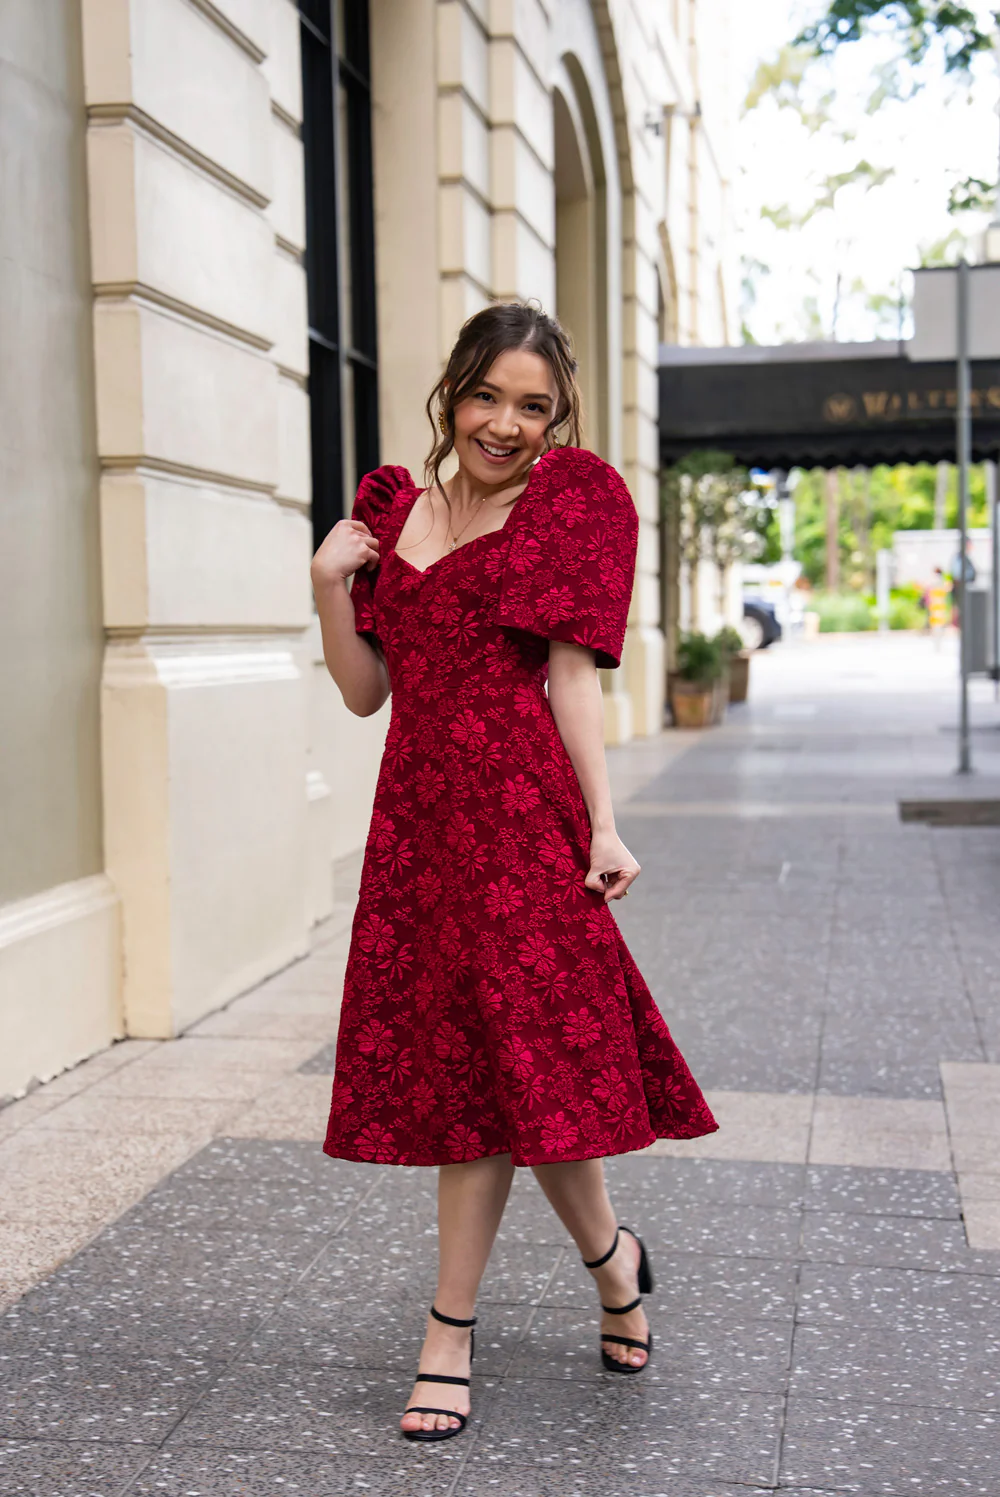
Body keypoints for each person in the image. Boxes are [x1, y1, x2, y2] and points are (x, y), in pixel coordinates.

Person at [310, 302, 717, 1443]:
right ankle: (613, 1259)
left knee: (510, 1081)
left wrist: (604, 824)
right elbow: (363, 693)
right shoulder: (394, 510)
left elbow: (572, 680)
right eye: (488, 396)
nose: (505, 424)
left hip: (522, 822)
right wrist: (329, 587)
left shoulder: (569, 505)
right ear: (454, 390)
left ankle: (449, 1332)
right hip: (419, 830)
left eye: (532, 406)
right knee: (500, 1081)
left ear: (558, 414)